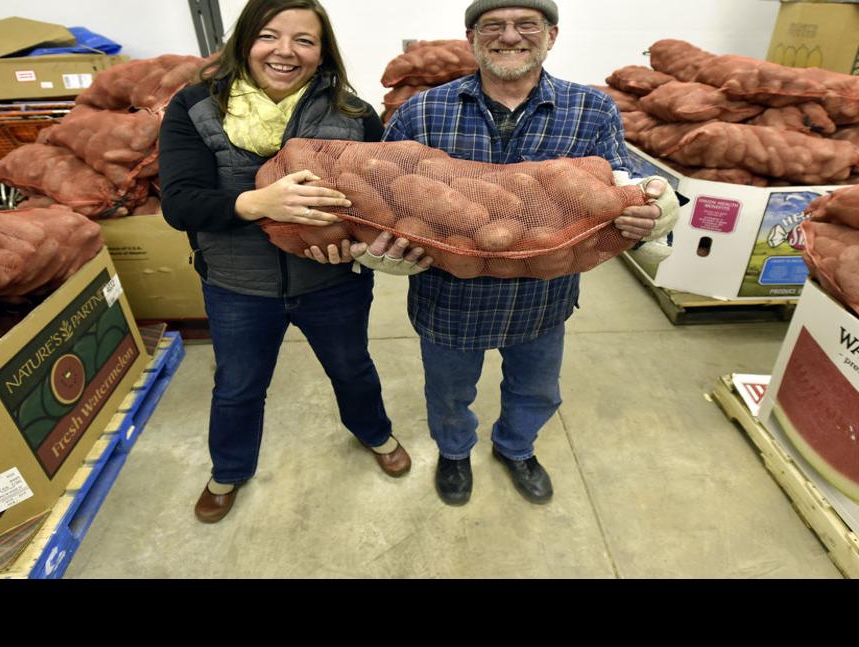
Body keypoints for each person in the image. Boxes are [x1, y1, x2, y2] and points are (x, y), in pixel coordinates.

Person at [373, 0, 681, 506]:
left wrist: (647, 210)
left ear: (551, 35)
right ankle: (454, 451)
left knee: (537, 388)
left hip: (544, 293)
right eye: (493, 26)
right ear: (472, 38)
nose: (509, 36)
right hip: (449, 295)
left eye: (526, 25)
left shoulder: (591, 109)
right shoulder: (422, 111)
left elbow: (621, 180)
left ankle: (516, 448)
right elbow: (384, 193)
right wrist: (380, 245)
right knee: (448, 392)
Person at [158, 0, 417, 524]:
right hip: (237, 285)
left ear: (322, 52)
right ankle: (228, 470)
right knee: (238, 385)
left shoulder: (353, 115)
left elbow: (377, 204)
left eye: (304, 40)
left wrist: (363, 248)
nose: (285, 51)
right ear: (245, 41)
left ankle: (374, 432)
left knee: (351, 368)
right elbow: (180, 203)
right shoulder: (196, 106)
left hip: (331, 281)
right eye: (269, 36)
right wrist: (259, 203)